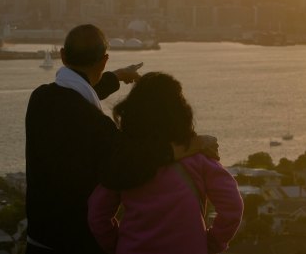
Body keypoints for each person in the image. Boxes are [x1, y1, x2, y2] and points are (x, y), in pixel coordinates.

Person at [25, 24, 217, 254]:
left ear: (63, 56)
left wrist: (116, 77)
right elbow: (135, 162)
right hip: (78, 243)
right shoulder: (98, 126)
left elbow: (75, 97)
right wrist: (193, 145)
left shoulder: (40, 100)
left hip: (37, 240)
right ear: (104, 60)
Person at [88, 72, 243, 254]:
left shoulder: (124, 162)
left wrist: (115, 244)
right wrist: (213, 243)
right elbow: (232, 206)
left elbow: (97, 215)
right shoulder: (198, 158)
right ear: (181, 112)